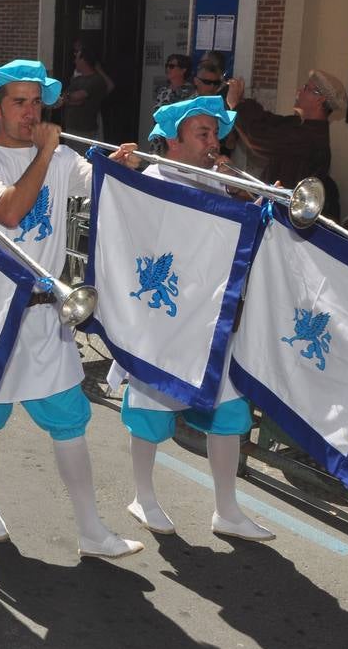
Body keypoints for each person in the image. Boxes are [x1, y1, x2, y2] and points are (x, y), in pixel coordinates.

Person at [0, 60, 145, 557]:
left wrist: (123, 167)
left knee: (70, 421)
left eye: (37, 101)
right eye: (19, 102)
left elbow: (105, 192)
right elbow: (10, 211)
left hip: (46, 316)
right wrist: (47, 151)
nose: (31, 112)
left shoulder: (62, 160)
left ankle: (91, 529)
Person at [110, 96, 275, 542]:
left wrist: (248, 192)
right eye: (202, 133)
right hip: (164, 318)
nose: (213, 142)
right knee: (149, 409)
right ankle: (142, 496)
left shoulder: (222, 181)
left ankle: (228, 510)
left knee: (228, 411)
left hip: (214, 320)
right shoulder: (150, 179)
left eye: (216, 133)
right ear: (174, 139)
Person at [224, 69, 344, 189]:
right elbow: (268, 121)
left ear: (320, 99)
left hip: (283, 207)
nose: (299, 91)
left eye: (306, 88)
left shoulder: (310, 137)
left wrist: (236, 105)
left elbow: (258, 136)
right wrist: (241, 102)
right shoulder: (299, 125)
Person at [56, 48, 110, 149]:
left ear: (84, 60)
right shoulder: (77, 79)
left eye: (77, 58)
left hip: (85, 131)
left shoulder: (96, 80)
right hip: (71, 128)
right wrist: (71, 100)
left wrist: (69, 98)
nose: (74, 61)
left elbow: (79, 96)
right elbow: (65, 97)